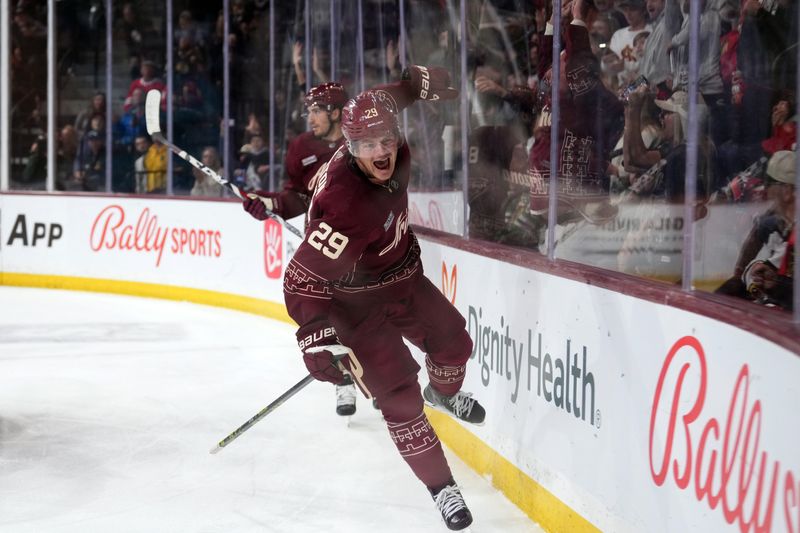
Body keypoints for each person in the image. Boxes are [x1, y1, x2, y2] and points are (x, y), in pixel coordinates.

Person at [279, 66, 485, 530]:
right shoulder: (344, 207)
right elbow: (300, 281)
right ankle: (443, 489)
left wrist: (417, 83)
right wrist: (316, 337)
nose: (382, 152)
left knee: (455, 343)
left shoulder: (379, 118)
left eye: (387, 141)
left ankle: (445, 393)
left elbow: (400, 94)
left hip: (403, 279)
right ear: (350, 149)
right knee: (400, 400)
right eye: (369, 146)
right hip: (354, 308)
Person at [241, 82, 359, 416]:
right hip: (323, 246)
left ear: (336, 112)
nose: (310, 117)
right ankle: (344, 382)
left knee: (370, 314)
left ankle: (380, 378)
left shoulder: (361, 139)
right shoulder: (301, 147)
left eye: (317, 110)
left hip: (363, 241)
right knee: (331, 316)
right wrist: (267, 202)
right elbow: (296, 197)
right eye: (308, 110)